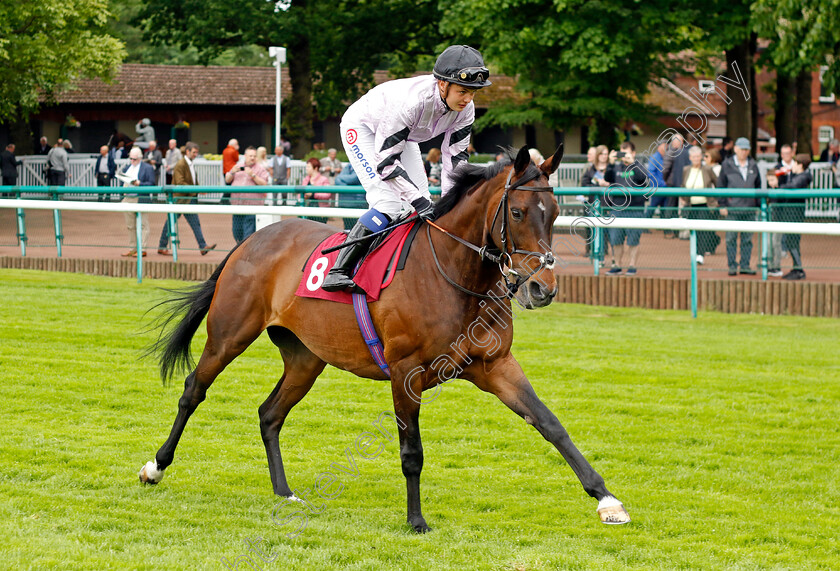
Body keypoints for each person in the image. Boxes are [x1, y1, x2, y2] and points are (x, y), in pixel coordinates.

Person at [322, 44, 491, 292]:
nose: (467, 99)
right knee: (389, 202)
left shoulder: (466, 110)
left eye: (473, 93)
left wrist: (452, 201)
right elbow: (386, 162)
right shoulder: (412, 103)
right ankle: (338, 270)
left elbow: (455, 159)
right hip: (363, 129)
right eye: (463, 91)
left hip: (405, 136)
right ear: (442, 85)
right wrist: (419, 202)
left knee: (423, 202)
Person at [157, 142, 216, 257]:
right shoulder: (181, 164)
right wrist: (196, 190)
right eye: (194, 152)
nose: (195, 154)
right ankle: (162, 246)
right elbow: (180, 183)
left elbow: (193, 181)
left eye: (196, 153)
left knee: (192, 223)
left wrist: (199, 189)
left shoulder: (189, 164)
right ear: (187, 151)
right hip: (181, 200)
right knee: (171, 223)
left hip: (187, 199)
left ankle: (202, 246)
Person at [717, 137, 761, 276]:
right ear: (735, 149)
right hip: (732, 208)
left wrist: (758, 205)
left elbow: (758, 185)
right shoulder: (727, 164)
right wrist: (722, 204)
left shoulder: (753, 165)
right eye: (742, 149)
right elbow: (721, 185)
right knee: (730, 238)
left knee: (747, 239)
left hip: (749, 208)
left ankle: (745, 265)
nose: (744, 152)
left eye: (746, 149)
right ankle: (731, 265)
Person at [604, 141, 649, 276]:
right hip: (617, 208)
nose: (624, 156)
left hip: (635, 208)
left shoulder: (638, 166)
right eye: (621, 153)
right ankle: (617, 265)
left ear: (633, 153)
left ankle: (632, 265)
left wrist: (633, 163)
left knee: (633, 240)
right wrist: (610, 163)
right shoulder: (616, 167)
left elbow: (644, 179)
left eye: (627, 153)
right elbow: (607, 178)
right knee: (616, 239)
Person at [767, 154, 812, 280]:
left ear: (800, 165)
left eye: (795, 163)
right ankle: (797, 268)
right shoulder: (796, 175)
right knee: (791, 241)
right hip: (790, 212)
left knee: (792, 241)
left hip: (795, 213)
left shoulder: (803, 176)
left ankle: (798, 269)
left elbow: (792, 186)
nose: (792, 165)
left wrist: (780, 187)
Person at [679, 146, 719, 264]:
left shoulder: (707, 169)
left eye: (698, 156)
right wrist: (683, 198)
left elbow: (717, 183)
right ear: (690, 158)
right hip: (691, 205)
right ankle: (695, 252)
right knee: (693, 230)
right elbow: (683, 184)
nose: (696, 159)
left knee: (702, 231)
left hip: (704, 205)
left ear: (701, 157)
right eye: (694, 157)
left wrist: (715, 200)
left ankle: (700, 254)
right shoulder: (686, 169)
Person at [225, 146, 268, 243]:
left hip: (252, 207)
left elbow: (264, 184)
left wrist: (252, 175)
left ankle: (245, 254)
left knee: (247, 234)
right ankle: (241, 250)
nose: (252, 158)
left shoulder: (260, 169)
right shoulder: (238, 166)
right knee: (236, 232)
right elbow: (227, 179)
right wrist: (232, 172)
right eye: (250, 156)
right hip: (237, 206)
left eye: (254, 156)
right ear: (245, 156)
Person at [120, 147, 156, 257]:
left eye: (134, 159)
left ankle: (143, 248)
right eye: (130, 158)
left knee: (143, 225)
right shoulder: (127, 168)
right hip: (128, 198)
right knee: (130, 226)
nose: (132, 161)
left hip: (140, 198)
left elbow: (152, 183)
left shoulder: (148, 168)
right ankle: (132, 248)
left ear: (140, 158)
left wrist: (139, 183)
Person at [767, 144, 795, 277]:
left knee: (787, 238)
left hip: (790, 207)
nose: (786, 156)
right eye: (784, 153)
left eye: (788, 153)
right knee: (772, 240)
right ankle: (772, 265)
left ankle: (781, 264)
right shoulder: (777, 169)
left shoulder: (796, 167)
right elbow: (772, 183)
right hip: (776, 209)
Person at [580, 145, 612, 260]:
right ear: (598, 155)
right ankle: (593, 252)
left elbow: (617, 183)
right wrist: (598, 184)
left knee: (606, 230)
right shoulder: (590, 169)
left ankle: (603, 252)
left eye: (606, 154)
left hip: (608, 203)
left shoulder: (611, 168)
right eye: (602, 154)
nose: (604, 156)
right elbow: (584, 183)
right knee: (592, 229)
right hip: (593, 203)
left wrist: (608, 184)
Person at [661, 134, 692, 238]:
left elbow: (665, 169)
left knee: (674, 208)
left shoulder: (684, 153)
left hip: (679, 184)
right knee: (671, 208)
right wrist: (666, 180)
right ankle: (668, 231)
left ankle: (675, 231)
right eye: (678, 141)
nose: (680, 143)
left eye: (681, 141)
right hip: (673, 185)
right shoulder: (671, 152)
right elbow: (665, 169)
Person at [301, 157, 331, 224]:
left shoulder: (324, 179)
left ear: (315, 168)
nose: (307, 169)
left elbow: (327, 195)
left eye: (308, 167)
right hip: (307, 209)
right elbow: (300, 194)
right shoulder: (306, 179)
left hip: (320, 211)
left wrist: (313, 194)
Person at [336, 163, 365, 230]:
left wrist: (340, 178)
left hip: (358, 204)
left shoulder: (362, 164)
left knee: (357, 229)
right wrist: (348, 185)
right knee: (347, 228)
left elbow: (354, 178)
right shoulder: (348, 166)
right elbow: (336, 180)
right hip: (346, 203)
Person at [221, 138, 239, 204]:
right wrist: (236, 150)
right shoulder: (234, 151)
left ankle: (224, 201)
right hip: (231, 170)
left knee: (227, 186)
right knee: (230, 187)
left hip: (225, 170)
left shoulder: (225, 150)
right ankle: (223, 201)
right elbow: (236, 159)